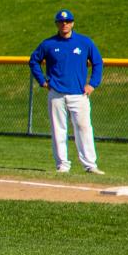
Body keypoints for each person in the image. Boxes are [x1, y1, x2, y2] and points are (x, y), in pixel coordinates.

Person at [29, 9, 103, 174]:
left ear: (72, 23)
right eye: (61, 22)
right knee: (58, 129)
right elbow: (34, 61)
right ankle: (62, 164)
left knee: (84, 128)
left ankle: (90, 164)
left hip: (79, 93)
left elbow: (98, 62)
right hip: (57, 93)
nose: (64, 24)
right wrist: (42, 81)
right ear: (56, 24)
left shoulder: (84, 42)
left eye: (68, 21)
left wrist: (92, 84)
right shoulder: (48, 44)